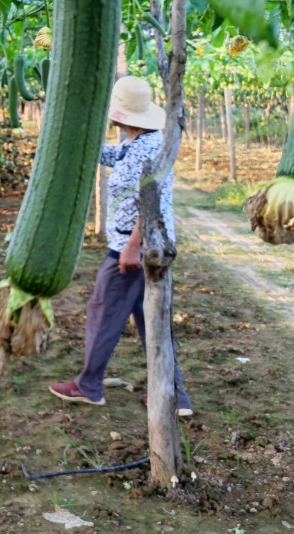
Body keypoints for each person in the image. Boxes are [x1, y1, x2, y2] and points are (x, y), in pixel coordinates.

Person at [48, 75, 193, 417]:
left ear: (121, 116)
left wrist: (132, 247)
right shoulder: (140, 143)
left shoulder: (146, 149)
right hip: (146, 247)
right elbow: (116, 156)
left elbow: (150, 199)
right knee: (152, 321)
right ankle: (175, 395)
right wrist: (79, 145)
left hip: (135, 249)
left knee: (103, 313)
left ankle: (89, 386)